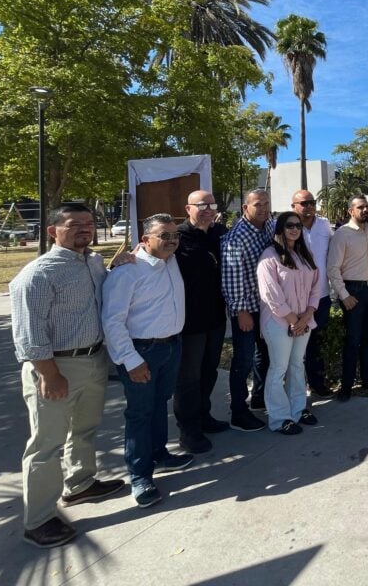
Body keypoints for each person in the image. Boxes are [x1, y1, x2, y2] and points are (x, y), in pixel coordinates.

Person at [10, 203, 124, 548]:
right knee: (46, 444)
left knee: (84, 429)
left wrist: (119, 265)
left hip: (92, 360)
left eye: (88, 224)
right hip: (56, 367)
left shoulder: (92, 262)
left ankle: (80, 484)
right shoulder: (38, 274)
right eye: (74, 225)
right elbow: (28, 334)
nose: (84, 230)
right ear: (52, 231)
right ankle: (39, 520)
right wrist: (49, 374)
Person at [102, 214, 192, 509]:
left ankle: (160, 453)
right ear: (145, 240)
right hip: (142, 352)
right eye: (163, 236)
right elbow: (113, 321)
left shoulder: (171, 261)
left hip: (171, 347)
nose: (171, 241)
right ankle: (140, 477)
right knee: (140, 413)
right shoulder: (128, 272)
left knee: (159, 403)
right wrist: (131, 360)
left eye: (174, 236)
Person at [172, 190, 229, 455]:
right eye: (202, 205)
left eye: (212, 204)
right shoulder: (178, 237)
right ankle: (189, 431)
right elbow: (150, 253)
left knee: (209, 372)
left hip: (216, 318)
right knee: (188, 379)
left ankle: (204, 417)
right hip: (189, 323)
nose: (208, 209)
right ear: (188, 208)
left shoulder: (219, 233)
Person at [257, 212, 321, 434]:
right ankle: (279, 418)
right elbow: (270, 294)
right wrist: (294, 321)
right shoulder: (269, 257)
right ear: (280, 229)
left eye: (298, 225)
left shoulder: (305, 255)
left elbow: (316, 286)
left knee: (297, 365)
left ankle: (298, 409)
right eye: (289, 225)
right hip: (278, 322)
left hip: (303, 320)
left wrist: (306, 317)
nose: (294, 229)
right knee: (279, 369)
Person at [221, 189, 274, 432]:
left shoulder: (268, 227)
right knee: (242, 360)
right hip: (247, 309)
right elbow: (231, 277)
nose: (262, 208)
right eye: (257, 204)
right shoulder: (237, 237)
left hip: (265, 307)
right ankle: (238, 412)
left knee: (263, 355)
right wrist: (240, 311)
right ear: (245, 208)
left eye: (265, 203)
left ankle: (259, 399)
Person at [326, 195, 368, 400]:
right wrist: (344, 295)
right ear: (351, 211)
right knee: (352, 341)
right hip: (353, 293)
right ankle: (346, 386)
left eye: (367, 207)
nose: (365, 210)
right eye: (360, 207)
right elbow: (332, 268)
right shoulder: (343, 234)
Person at [291, 189, 333, 396]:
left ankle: (316, 383)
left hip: (322, 296)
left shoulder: (324, 225)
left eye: (312, 202)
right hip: (297, 300)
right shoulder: (287, 228)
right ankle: (296, 387)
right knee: (296, 344)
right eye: (304, 203)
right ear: (294, 206)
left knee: (315, 342)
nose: (309, 207)